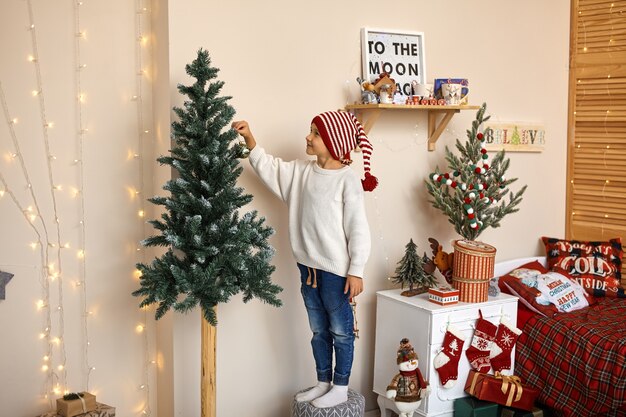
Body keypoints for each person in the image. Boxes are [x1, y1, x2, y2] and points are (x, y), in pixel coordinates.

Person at [231, 111, 378, 408]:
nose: (308, 137)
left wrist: (357, 271)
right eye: (310, 131)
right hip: (308, 269)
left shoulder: (347, 181)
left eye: (315, 133)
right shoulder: (301, 172)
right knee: (318, 330)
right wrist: (250, 139)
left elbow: (358, 229)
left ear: (334, 142)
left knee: (342, 332)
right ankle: (323, 381)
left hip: (337, 274)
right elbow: (270, 168)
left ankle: (340, 385)